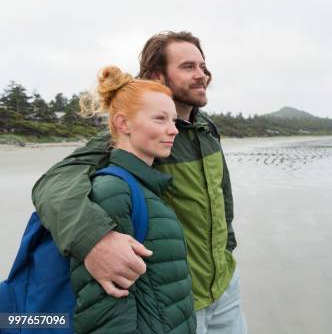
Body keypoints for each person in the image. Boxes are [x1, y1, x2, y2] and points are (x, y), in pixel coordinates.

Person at [32, 31, 247, 333]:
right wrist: (95, 240)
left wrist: (226, 252)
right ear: (158, 77)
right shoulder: (139, 137)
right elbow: (52, 184)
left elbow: (223, 203)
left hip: (225, 288)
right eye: (188, 67)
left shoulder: (206, 129)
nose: (202, 75)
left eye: (203, 66)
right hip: (179, 302)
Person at [71, 66, 195, 333]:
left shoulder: (144, 185)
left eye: (173, 120)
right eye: (160, 119)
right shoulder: (113, 190)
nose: (173, 130)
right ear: (122, 123)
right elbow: (104, 313)